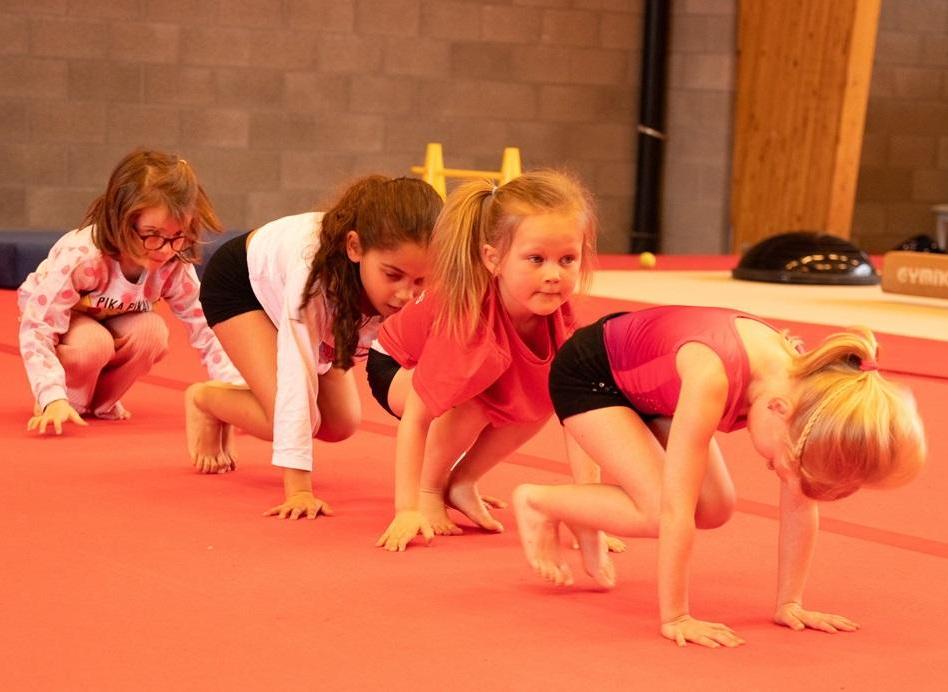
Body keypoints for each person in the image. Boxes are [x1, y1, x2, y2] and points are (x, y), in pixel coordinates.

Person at [512, 305, 927, 648]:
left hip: (653, 388)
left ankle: (584, 514)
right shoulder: (713, 377)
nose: (777, 471)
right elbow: (675, 508)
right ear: (778, 410)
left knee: (715, 509)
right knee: (659, 510)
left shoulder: (808, 398)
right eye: (778, 462)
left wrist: (791, 603)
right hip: (592, 376)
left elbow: (801, 503)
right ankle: (538, 502)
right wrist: (677, 616)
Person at [370, 170, 608, 552]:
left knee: (550, 392)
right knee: (476, 397)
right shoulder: (469, 323)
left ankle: (461, 483)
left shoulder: (561, 321)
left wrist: (591, 515)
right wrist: (409, 506)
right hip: (395, 366)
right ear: (493, 259)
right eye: (536, 259)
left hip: (469, 368)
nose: (553, 275)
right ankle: (432, 487)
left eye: (567, 259)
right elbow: (417, 416)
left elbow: (582, 420)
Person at [187, 176, 442, 520]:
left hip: (319, 309)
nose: (405, 295)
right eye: (393, 275)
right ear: (355, 247)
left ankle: (238, 398)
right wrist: (300, 490)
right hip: (241, 286)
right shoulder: (314, 278)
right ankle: (206, 400)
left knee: (340, 424)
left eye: (420, 280)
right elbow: (297, 370)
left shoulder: (424, 291)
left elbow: (438, 385)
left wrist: (446, 482)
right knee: (293, 418)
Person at [17, 149, 239, 435]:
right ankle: (69, 399)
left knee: (152, 333)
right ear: (121, 221)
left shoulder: (173, 263)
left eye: (177, 236)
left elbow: (207, 326)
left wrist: (233, 389)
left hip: (111, 317)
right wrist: (51, 394)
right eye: (152, 234)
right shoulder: (84, 257)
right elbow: (38, 326)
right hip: (63, 319)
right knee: (92, 344)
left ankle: (101, 404)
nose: (164, 249)